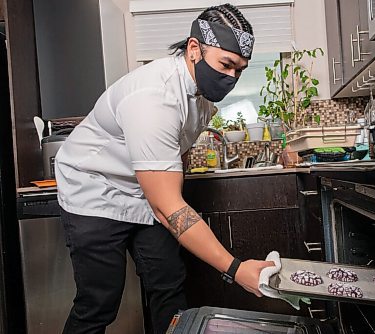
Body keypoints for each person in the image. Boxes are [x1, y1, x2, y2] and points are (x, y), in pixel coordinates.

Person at [55, 4, 273, 334]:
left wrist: (165, 197)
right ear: (194, 49)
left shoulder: (202, 98)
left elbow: (176, 154)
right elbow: (167, 206)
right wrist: (236, 269)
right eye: (225, 64)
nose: (231, 77)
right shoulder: (153, 97)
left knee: (168, 284)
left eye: (240, 70)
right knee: (100, 301)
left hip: (142, 191)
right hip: (94, 189)